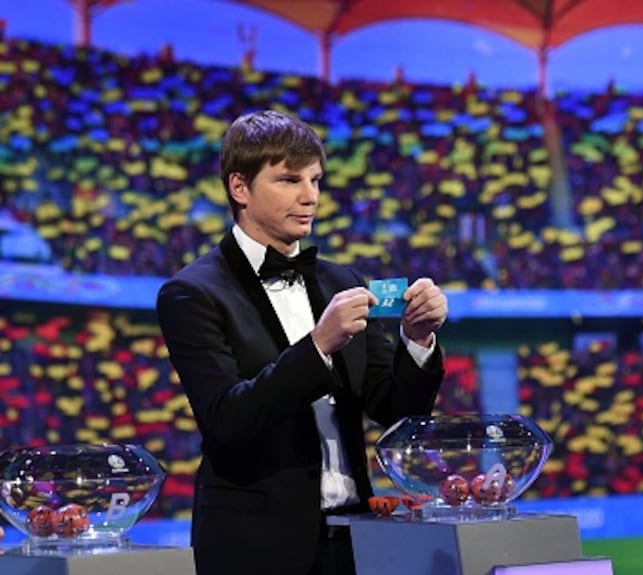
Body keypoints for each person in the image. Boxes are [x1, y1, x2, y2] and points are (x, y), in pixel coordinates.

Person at [156, 109, 447, 575]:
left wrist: (417, 340)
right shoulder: (192, 293)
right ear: (239, 187)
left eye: (315, 180)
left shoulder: (342, 282)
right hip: (255, 548)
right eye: (289, 180)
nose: (309, 196)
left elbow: (395, 410)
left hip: (353, 540)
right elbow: (227, 422)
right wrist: (318, 347)